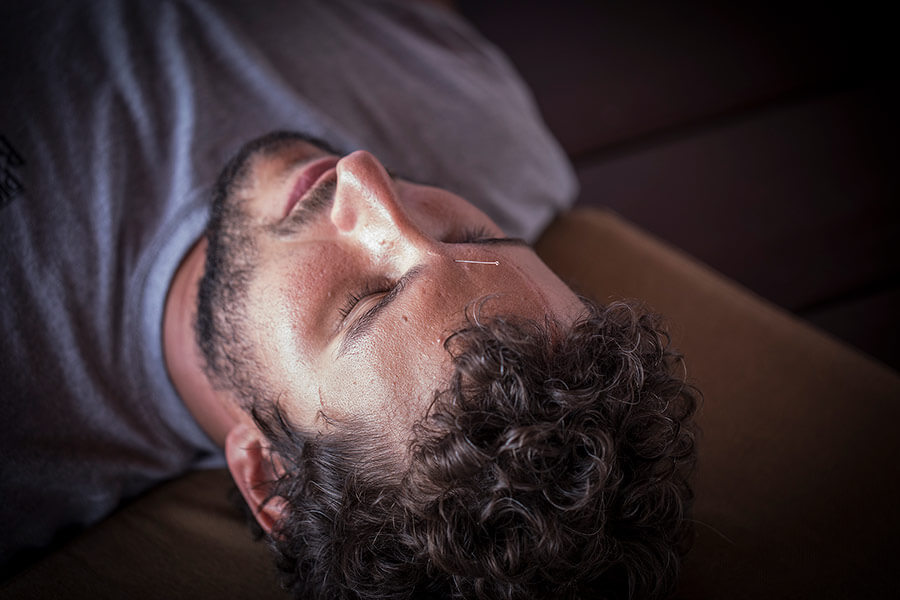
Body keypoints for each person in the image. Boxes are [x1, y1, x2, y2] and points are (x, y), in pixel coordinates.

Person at [0, 0, 696, 597]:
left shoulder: (25, 443)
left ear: (270, 478)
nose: (366, 177)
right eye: (471, 233)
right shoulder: (493, 136)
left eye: (367, 301)